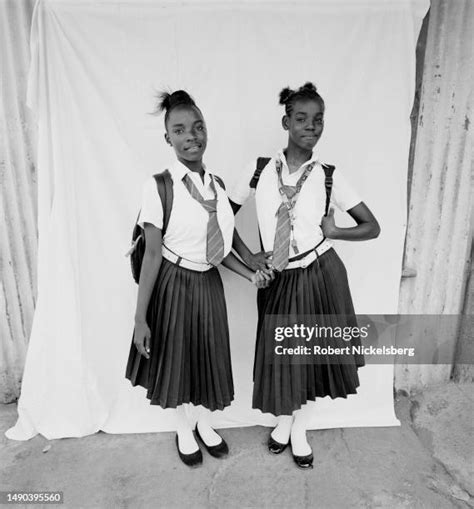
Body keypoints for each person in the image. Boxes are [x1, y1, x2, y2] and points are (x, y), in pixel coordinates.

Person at [230, 82, 381, 469]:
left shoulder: (329, 176)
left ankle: (298, 431)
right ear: (286, 121)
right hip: (279, 278)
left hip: (320, 273)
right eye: (301, 118)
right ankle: (283, 422)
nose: (310, 126)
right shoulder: (259, 170)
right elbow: (219, 218)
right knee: (283, 355)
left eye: (318, 120)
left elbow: (372, 226)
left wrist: (336, 232)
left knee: (311, 357)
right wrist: (250, 259)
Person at [125, 90, 269, 467]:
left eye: (198, 126)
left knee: (208, 355)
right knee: (176, 359)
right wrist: (140, 318)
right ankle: (182, 428)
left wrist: (250, 270)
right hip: (173, 283)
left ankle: (205, 422)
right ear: (167, 138)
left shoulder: (217, 185)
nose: (192, 135)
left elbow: (219, 244)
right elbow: (153, 254)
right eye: (180, 129)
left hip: (207, 283)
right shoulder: (159, 186)